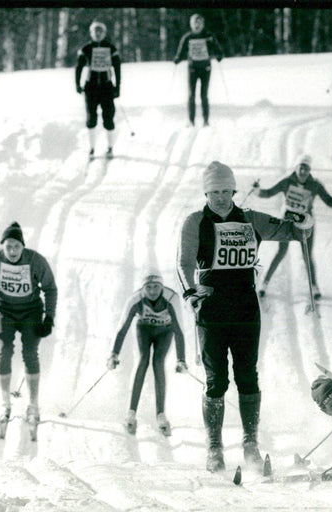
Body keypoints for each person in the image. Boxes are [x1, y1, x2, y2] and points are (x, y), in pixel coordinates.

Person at [177, 161, 315, 472]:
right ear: (206, 192)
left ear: (234, 191)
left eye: (227, 191)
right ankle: (214, 448)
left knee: (247, 375)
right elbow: (183, 262)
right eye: (215, 192)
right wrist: (190, 292)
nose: (221, 198)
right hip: (211, 307)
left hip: (245, 305)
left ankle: (250, 442)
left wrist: (303, 221)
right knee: (216, 381)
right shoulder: (195, 221)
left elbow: (293, 231)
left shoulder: (250, 219)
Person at [0, 222, 57, 440]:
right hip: (4, 310)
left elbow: (50, 288)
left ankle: (33, 404)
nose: (12, 251)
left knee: (30, 352)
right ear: (3, 246)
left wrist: (49, 318)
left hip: (31, 311)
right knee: (4, 350)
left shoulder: (35, 260)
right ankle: (4, 402)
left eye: (16, 246)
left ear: (23, 247)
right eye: (9, 246)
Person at [252, 154, 332, 299]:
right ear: (296, 168)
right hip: (287, 221)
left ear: (309, 170)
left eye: (306, 169)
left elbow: (329, 201)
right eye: (301, 168)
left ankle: (314, 286)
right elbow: (268, 193)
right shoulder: (286, 181)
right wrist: (256, 190)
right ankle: (264, 284)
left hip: (305, 223)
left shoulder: (315, 185)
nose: (303, 172)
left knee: (307, 255)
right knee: (281, 252)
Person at [107, 273, 188, 437]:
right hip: (144, 329)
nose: (152, 291)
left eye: (156, 287)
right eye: (148, 287)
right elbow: (122, 328)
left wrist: (181, 359)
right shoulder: (135, 299)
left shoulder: (171, 298)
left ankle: (161, 414)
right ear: (143, 289)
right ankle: (131, 413)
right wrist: (113, 354)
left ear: (162, 287)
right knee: (143, 360)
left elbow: (179, 330)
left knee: (158, 362)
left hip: (165, 332)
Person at [75, 21, 121, 160]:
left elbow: (117, 68)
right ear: (91, 33)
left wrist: (117, 86)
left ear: (104, 33)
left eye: (100, 31)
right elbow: (79, 67)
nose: (98, 33)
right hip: (91, 87)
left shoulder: (111, 48)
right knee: (91, 118)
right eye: (95, 31)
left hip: (106, 87)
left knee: (108, 118)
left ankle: (110, 147)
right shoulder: (86, 48)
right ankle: (92, 148)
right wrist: (77, 84)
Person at [173, 13, 224, 126]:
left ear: (203, 24)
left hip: (205, 68)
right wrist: (177, 59)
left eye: (199, 23)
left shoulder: (208, 36)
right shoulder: (187, 37)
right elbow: (181, 52)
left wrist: (219, 55)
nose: (197, 25)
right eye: (195, 23)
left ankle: (206, 120)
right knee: (191, 95)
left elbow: (217, 49)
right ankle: (191, 120)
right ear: (191, 24)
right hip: (193, 68)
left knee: (204, 95)